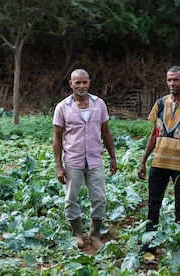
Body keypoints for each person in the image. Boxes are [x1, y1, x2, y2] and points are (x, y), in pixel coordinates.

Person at [137, 65, 180, 255]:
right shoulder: (160, 103)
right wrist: (143, 161)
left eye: (175, 79)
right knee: (153, 203)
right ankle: (149, 243)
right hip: (159, 162)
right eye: (169, 80)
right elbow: (153, 135)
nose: (171, 83)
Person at [53, 68, 117, 249]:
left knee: (99, 198)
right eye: (77, 82)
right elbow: (57, 138)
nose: (81, 86)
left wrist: (113, 157)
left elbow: (105, 132)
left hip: (95, 160)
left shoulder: (99, 104)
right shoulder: (62, 107)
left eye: (85, 82)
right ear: (70, 84)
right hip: (73, 161)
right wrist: (59, 166)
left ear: (89, 82)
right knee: (71, 198)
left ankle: (95, 234)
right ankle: (77, 234)